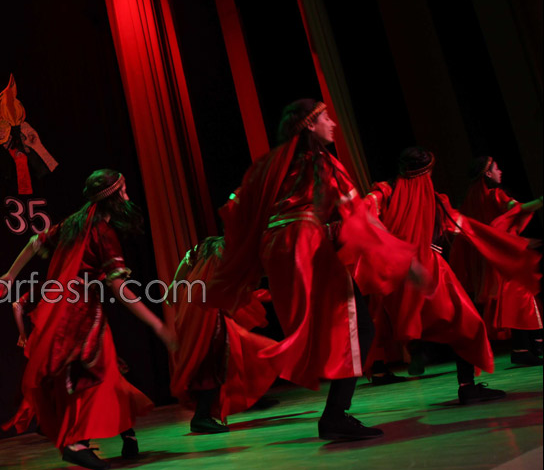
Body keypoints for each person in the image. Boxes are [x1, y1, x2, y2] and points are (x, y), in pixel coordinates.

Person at [193, 100, 421, 441]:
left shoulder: (274, 165)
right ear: (310, 125)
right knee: (356, 325)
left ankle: (324, 402)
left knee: (339, 326)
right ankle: (332, 413)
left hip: (279, 248)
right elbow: (357, 214)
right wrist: (402, 260)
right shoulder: (322, 162)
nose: (334, 123)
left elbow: (235, 203)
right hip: (304, 243)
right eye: (326, 117)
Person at [0, 169, 177, 470]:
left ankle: (112, 434)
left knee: (92, 374)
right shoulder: (103, 233)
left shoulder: (73, 224)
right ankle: (76, 443)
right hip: (82, 310)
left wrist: (10, 274)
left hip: (62, 307)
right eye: (123, 192)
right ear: (112, 198)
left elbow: (34, 241)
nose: (128, 197)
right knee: (95, 374)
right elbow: (118, 287)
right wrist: (157, 324)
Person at [363, 148, 538, 402]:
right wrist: (508, 244)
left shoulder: (385, 193)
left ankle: (417, 346)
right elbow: (463, 227)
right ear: (427, 173)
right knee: (467, 325)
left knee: (405, 318)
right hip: (430, 270)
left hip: (397, 271)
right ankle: (465, 385)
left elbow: (362, 215)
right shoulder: (432, 199)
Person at [167, 236, 281, 434]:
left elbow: (186, 261)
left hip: (197, 306)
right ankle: (201, 416)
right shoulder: (228, 248)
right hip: (208, 309)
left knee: (236, 350)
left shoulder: (207, 246)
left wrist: (173, 288)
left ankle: (249, 396)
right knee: (216, 355)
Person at [451, 156, 543, 364]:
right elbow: (517, 209)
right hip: (503, 255)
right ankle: (525, 348)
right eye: (497, 169)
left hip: (486, 258)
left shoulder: (469, 200)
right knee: (520, 296)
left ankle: (528, 345)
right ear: (487, 173)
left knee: (513, 299)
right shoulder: (495, 194)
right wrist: (540, 201)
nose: (500, 172)